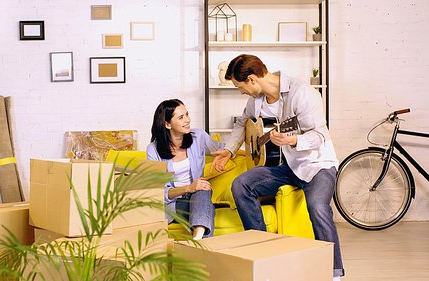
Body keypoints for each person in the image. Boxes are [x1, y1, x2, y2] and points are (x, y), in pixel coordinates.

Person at [210, 54, 344, 278]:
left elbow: (320, 136)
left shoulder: (302, 93)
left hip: (317, 165)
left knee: (318, 208)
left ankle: (333, 272)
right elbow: (242, 122)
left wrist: (293, 140)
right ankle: (263, 253)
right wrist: (230, 149)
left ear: (252, 79)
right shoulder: (256, 100)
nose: (241, 92)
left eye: (240, 87)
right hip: (288, 166)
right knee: (241, 184)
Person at [147, 99, 225, 239]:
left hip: (198, 198)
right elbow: (158, 192)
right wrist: (189, 188)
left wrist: (253, 151)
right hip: (173, 205)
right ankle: (200, 241)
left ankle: (198, 238)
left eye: (187, 114)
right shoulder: (154, 150)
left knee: (202, 190)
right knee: (201, 192)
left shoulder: (198, 137)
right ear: (167, 124)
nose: (187, 120)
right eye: (181, 117)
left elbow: (224, 149)